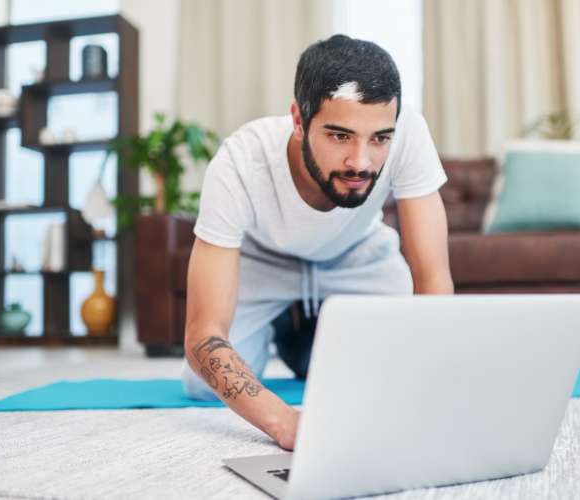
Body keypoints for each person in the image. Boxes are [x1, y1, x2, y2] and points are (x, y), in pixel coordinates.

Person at [181, 34, 453, 450]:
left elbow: (433, 282)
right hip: (263, 258)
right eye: (340, 136)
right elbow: (203, 335)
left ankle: (303, 339)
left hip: (357, 253)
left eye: (379, 138)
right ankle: (282, 319)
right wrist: (283, 422)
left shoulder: (409, 130)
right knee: (202, 386)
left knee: (392, 366)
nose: (361, 162)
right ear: (298, 120)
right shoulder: (239, 162)